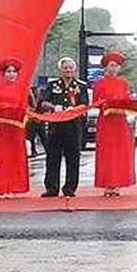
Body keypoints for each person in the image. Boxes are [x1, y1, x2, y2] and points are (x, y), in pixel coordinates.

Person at [40, 57, 88, 198]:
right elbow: (43, 102)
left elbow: (85, 104)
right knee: (52, 157)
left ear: (75, 70)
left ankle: (70, 187)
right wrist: (55, 107)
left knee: (73, 157)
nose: (68, 70)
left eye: (70, 68)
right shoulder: (53, 85)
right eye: (65, 68)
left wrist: (73, 110)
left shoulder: (81, 86)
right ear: (60, 70)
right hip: (56, 126)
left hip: (74, 126)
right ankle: (51, 187)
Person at [94, 51, 137, 196]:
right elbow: (96, 103)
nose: (114, 68)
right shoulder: (99, 83)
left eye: (117, 66)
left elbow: (128, 100)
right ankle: (107, 185)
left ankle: (118, 184)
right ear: (106, 67)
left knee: (120, 154)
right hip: (106, 123)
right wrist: (107, 105)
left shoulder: (123, 83)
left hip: (120, 123)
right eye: (111, 65)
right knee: (106, 154)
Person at [0, 58, 31, 198]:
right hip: (2, 128)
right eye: (8, 71)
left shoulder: (23, 89)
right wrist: (2, 109)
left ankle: (16, 187)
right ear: (3, 73)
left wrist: (11, 110)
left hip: (16, 128)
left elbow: (24, 107)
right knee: (2, 158)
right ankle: (2, 187)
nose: (11, 74)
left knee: (16, 157)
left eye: (14, 72)